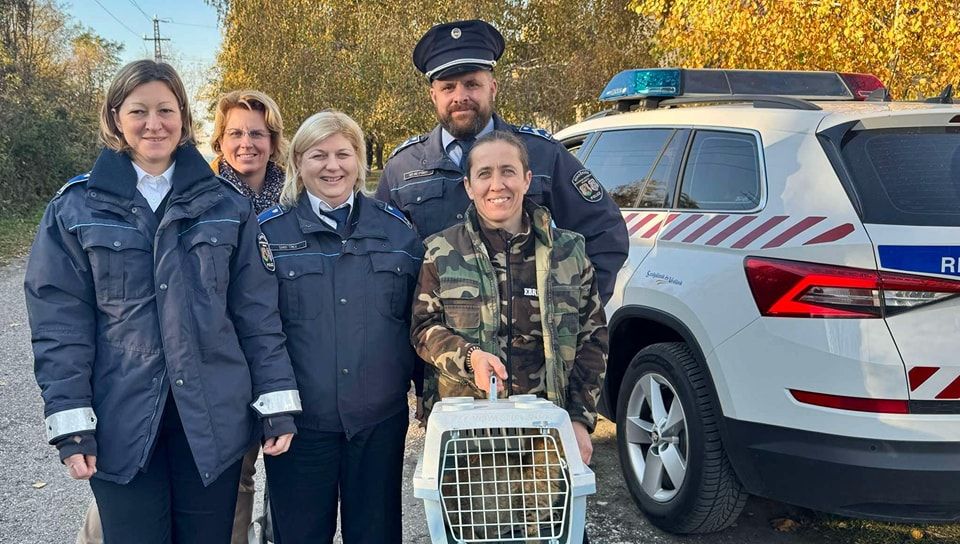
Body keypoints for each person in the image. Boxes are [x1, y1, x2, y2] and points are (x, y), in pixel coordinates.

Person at [25, 60, 302, 544]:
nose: (153, 123)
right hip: (121, 416)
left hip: (212, 417)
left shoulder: (225, 204)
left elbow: (256, 314)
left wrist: (276, 402)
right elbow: (60, 325)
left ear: (183, 117)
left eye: (165, 110)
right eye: (138, 111)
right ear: (115, 118)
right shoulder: (75, 208)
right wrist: (70, 421)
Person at [375, 19, 627, 420]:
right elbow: (382, 263)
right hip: (451, 380)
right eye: (448, 88)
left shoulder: (542, 154)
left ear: (492, 86)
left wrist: (567, 310)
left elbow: (605, 234)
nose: (461, 96)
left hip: (541, 383)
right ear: (433, 95)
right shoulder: (403, 169)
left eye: (472, 84)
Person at [411, 130, 607, 541]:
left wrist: (580, 419)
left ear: (527, 178)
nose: (496, 184)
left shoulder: (569, 252)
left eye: (508, 172)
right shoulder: (442, 251)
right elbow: (423, 329)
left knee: (550, 534)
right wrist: (469, 358)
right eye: (484, 174)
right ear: (468, 186)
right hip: (470, 443)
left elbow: (593, 337)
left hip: (547, 438)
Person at [258, 110, 422, 543]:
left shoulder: (398, 232)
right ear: (298, 162)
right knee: (300, 534)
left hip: (378, 423)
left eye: (343, 154)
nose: (332, 166)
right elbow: (256, 329)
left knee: (375, 534)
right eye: (318, 155)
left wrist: (429, 395)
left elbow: (420, 319)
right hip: (300, 426)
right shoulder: (268, 235)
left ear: (361, 160)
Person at [211, 90, 288, 214]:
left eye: (256, 134)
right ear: (220, 141)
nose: (246, 144)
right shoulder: (201, 197)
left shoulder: (297, 197)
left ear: (273, 143)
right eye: (235, 134)